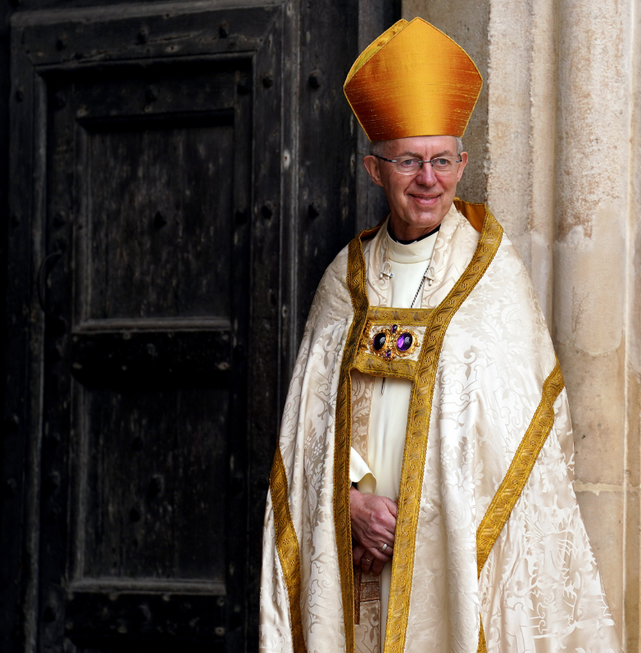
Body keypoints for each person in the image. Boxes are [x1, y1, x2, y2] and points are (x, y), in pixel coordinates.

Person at [259, 17, 621, 653]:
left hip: (451, 557)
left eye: (443, 160)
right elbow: (314, 425)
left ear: (460, 163)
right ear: (376, 170)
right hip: (357, 556)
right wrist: (348, 501)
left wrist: (430, 514)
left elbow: (521, 441)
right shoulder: (343, 282)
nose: (429, 180)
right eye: (409, 161)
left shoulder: (492, 276)